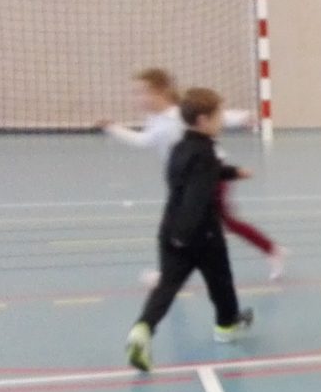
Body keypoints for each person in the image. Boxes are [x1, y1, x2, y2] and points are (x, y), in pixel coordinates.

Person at [100, 67, 284, 280]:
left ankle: (271, 250)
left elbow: (214, 115)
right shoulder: (156, 118)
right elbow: (145, 140)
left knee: (199, 224)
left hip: (210, 173)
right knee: (199, 224)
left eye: (142, 92)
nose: (137, 98)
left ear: (160, 92)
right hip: (186, 178)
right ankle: (270, 249)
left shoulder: (179, 113)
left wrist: (242, 117)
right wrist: (112, 128)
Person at [125, 88, 256, 372]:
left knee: (167, 287)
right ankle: (226, 326)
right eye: (219, 115)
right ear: (203, 120)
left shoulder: (181, 146)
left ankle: (143, 328)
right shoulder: (206, 152)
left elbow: (198, 174)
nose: (222, 119)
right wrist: (186, 238)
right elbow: (197, 196)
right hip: (199, 235)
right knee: (220, 281)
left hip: (168, 228)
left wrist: (234, 173)